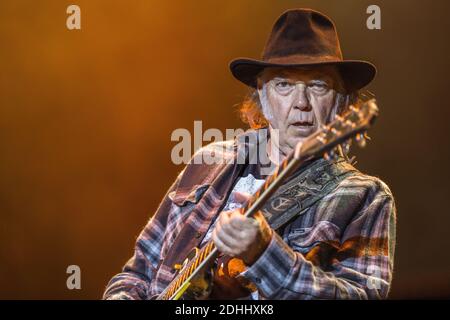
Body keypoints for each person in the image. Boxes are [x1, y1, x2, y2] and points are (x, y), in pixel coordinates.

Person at [103, 8, 396, 300]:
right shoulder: (209, 161)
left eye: (318, 85)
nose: (301, 103)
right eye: (284, 85)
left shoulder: (365, 196)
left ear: (341, 102)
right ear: (263, 96)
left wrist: (265, 253)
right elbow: (138, 272)